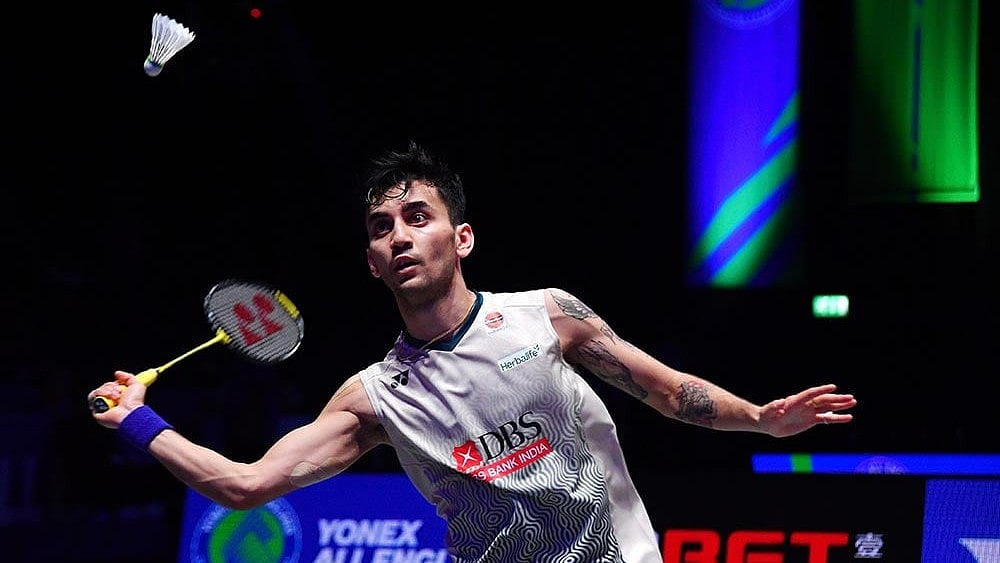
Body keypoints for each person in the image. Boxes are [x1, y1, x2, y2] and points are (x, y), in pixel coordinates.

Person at [89, 141, 857, 562]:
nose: (397, 235)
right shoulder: (375, 397)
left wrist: (761, 416)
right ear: (372, 263)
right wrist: (138, 421)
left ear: (461, 238)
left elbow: (667, 390)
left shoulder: (548, 316)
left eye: (416, 216)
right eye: (381, 229)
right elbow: (246, 484)